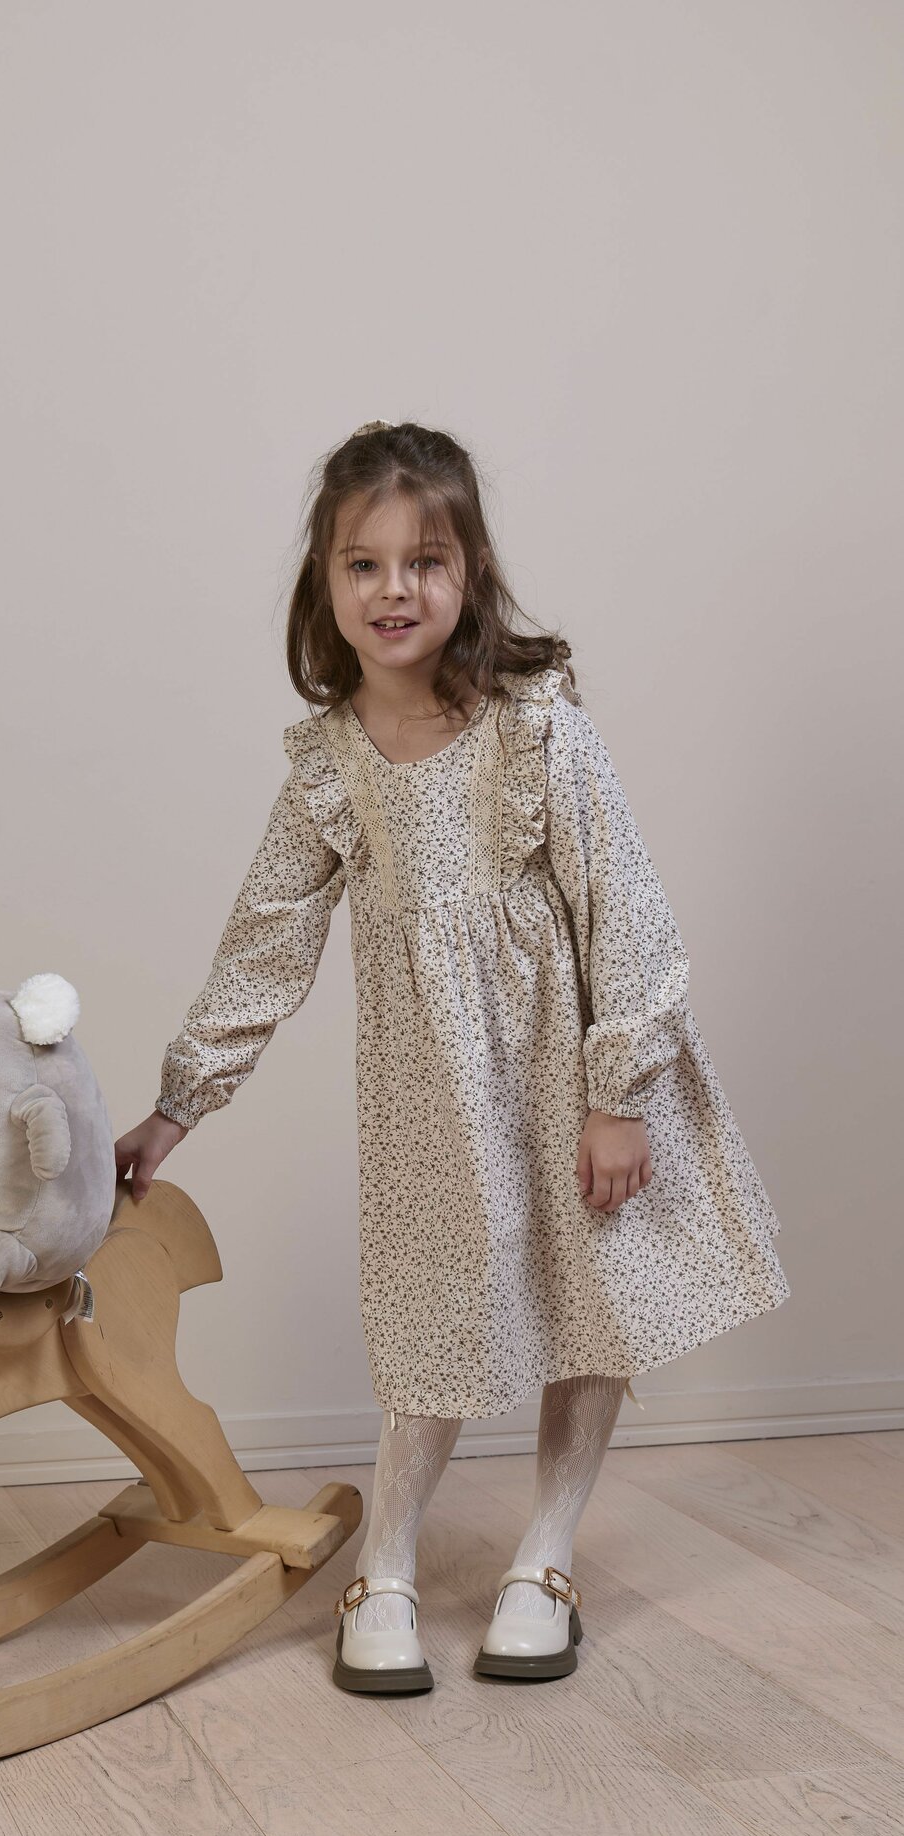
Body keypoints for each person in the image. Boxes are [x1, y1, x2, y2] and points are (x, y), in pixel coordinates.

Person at [114, 419, 789, 1693]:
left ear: (470, 569)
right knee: (433, 1315)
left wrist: (619, 1095)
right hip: (432, 1097)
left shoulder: (536, 731)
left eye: (425, 560)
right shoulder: (329, 767)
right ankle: (388, 1562)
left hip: (573, 1075)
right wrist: (177, 1104)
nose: (395, 590)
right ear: (325, 580)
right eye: (363, 564)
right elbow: (266, 940)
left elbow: (626, 910)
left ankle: (546, 1553)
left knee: (590, 1299)